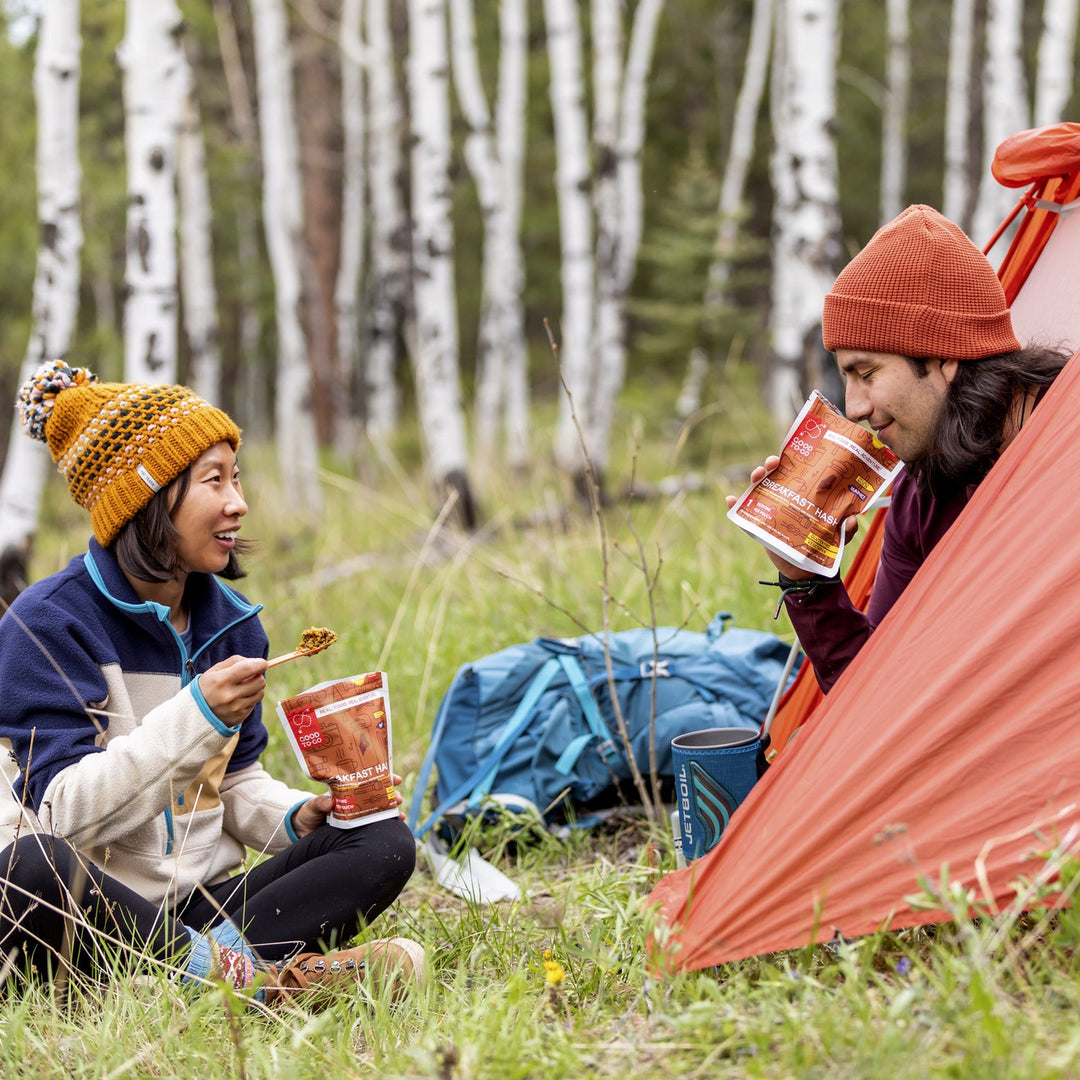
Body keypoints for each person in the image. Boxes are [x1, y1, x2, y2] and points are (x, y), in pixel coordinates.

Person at [0, 361, 422, 1006]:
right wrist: (196, 715)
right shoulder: (46, 624)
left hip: (202, 910)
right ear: (147, 497)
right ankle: (254, 982)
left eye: (237, 475)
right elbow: (61, 816)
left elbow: (233, 782)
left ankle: (189, 981)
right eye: (213, 480)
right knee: (29, 866)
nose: (238, 502)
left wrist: (295, 818)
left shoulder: (232, 625)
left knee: (382, 840)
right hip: (89, 915)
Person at [729, 205, 1071, 693]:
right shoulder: (924, 494)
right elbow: (876, 699)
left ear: (944, 356)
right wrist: (806, 579)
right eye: (847, 376)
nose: (855, 407)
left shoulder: (1064, 441)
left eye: (866, 374)